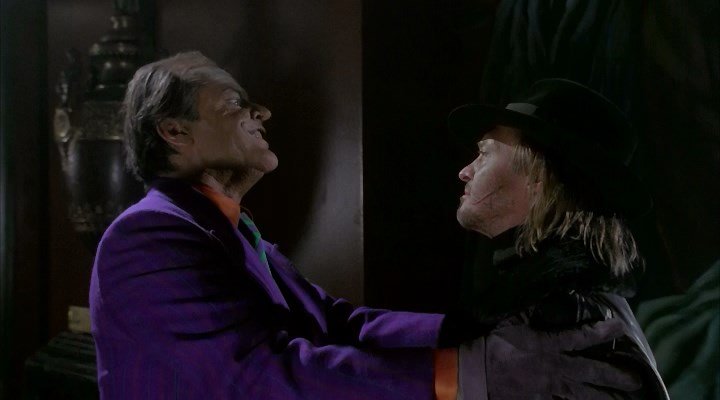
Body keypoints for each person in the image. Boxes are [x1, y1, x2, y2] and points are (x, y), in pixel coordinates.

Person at [90, 52, 642, 399]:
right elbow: (254, 375)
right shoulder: (149, 237)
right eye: (236, 103)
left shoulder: (235, 231)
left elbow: (335, 322)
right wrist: (468, 374)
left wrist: (469, 334)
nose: (262, 113)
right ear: (175, 132)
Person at [448, 78, 670, 399]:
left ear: (538, 178)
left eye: (485, 154)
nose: (465, 171)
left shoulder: (567, 317)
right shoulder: (560, 304)